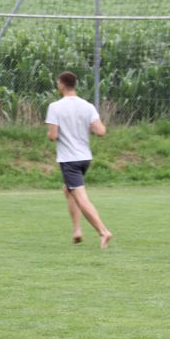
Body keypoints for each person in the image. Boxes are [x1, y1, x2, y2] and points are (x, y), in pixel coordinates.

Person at [45, 71, 113, 249]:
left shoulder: (55, 107)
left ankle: (103, 232)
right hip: (85, 158)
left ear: (61, 85)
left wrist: (52, 133)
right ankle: (76, 230)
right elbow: (101, 131)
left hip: (69, 160)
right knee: (68, 190)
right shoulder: (87, 106)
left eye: (58, 83)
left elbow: (53, 136)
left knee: (81, 198)